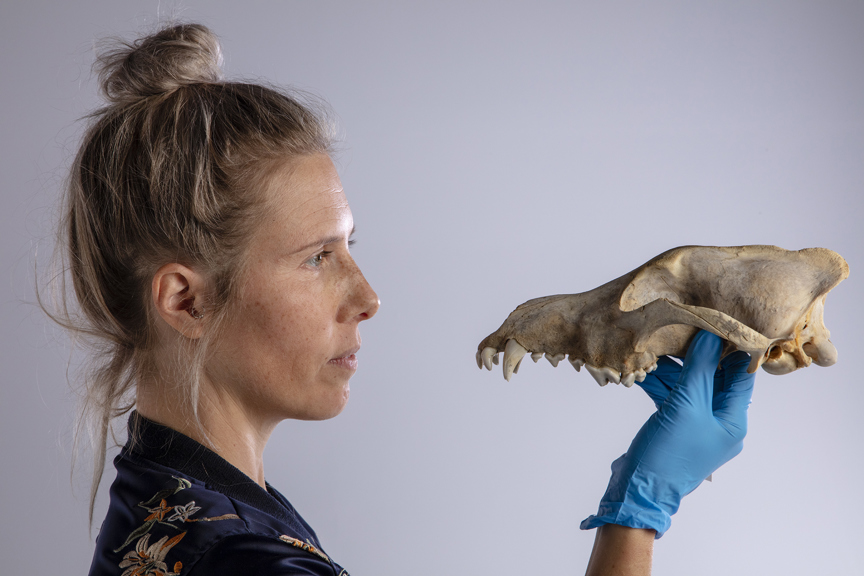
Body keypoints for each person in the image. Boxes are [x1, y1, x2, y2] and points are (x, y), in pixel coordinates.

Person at [48, 23, 755, 576]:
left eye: (352, 247)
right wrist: (638, 514)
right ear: (184, 301)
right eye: (318, 257)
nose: (368, 297)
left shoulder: (167, 500)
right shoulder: (239, 561)